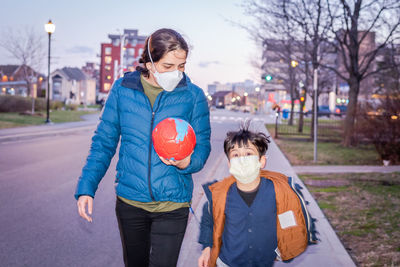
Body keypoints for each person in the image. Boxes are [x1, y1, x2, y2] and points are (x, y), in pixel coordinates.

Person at [75, 28, 211, 267]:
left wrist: (188, 162)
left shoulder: (193, 95)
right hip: (131, 203)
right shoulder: (122, 90)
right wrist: (87, 186)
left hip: (173, 204)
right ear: (149, 63)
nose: (177, 73)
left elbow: (203, 147)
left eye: (181, 66)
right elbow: (103, 143)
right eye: (168, 66)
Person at [198, 124, 316, 267]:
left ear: (261, 161)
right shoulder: (219, 195)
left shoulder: (278, 191)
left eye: (248, 154)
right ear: (229, 164)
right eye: (235, 155)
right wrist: (206, 248)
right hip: (227, 263)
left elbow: (293, 217)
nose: (242, 159)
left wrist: (286, 248)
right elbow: (208, 222)